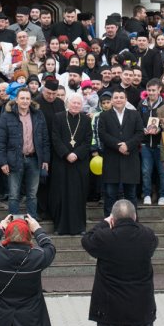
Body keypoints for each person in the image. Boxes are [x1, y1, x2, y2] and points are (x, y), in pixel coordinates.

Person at [82, 199, 159, 326]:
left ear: (113, 220)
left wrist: (104, 223)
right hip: (141, 312)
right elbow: (146, 235)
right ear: (135, 217)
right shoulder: (148, 237)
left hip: (109, 312)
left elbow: (86, 240)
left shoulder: (104, 238)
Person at [0, 90, 47, 216]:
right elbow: (0, 141)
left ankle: (32, 223)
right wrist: (2, 162)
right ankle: (14, 224)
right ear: (17, 100)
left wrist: (45, 159)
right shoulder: (6, 116)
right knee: (13, 195)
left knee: (32, 194)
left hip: (34, 159)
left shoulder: (38, 115)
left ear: (31, 100)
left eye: (27, 98)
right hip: (14, 159)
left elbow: (45, 139)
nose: (25, 101)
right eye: (22, 98)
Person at [49, 92, 93, 235]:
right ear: (68, 103)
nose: (76, 105)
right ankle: (60, 227)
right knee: (61, 195)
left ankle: (79, 227)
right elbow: (55, 138)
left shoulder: (86, 120)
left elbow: (88, 141)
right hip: (62, 162)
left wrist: (76, 154)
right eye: (73, 103)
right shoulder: (58, 117)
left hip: (79, 164)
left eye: (78, 103)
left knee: (78, 195)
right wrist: (67, 154)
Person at [96, 89, 143, 216]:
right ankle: (108, 222)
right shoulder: (104, 116)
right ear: (112, 100)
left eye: (121, 97)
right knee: (110, 194)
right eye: (116, 97)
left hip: (130, 158)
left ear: (126, 100)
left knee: (131, 194)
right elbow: (102, 134)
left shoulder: (134, 114)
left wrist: (128, 145)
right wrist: (118, 146)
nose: (118, 100)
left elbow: (139, 133)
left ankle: (133, 222)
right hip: (112, 159)